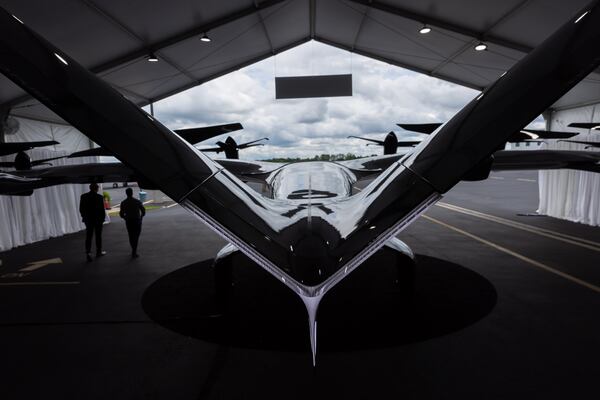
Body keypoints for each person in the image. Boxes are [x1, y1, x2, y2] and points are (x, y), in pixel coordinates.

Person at [79, 183, 106, 261]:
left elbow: (81, 209)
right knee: (98, 236)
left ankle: (88, 253)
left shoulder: (83, 196)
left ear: (90, 188)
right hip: (98, 220)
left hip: (88, 220)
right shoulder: (100, 197)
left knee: (88, 236)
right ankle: (98, 252)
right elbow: (102, 210)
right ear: (96, 189)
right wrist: (102, 219)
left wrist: (84, 217)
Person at [119, 188, 146, 258]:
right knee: (136, 236)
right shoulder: (137, 201)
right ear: (132, 193)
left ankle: (133, 250)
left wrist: (125, 218)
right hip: (137, 221)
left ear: (126, 193)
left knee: (131, 236)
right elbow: (143, 211)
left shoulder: (123, 202)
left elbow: (121, 214)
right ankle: (134, 251)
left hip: (129, 221)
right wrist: (141, 217)